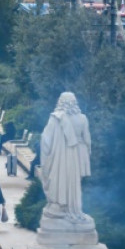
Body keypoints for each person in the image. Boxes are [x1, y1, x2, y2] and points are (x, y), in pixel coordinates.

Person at [41, 92, 92, 223]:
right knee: (74, 182)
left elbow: (46, 140)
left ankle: (60, 206)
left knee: (60, 179)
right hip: (77, 156)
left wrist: (46, 158)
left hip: (60, 157)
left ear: (60, 102)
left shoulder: (56, 118)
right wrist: (87, 155)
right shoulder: (83, 118)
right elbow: (87, 140)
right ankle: (74, 208)